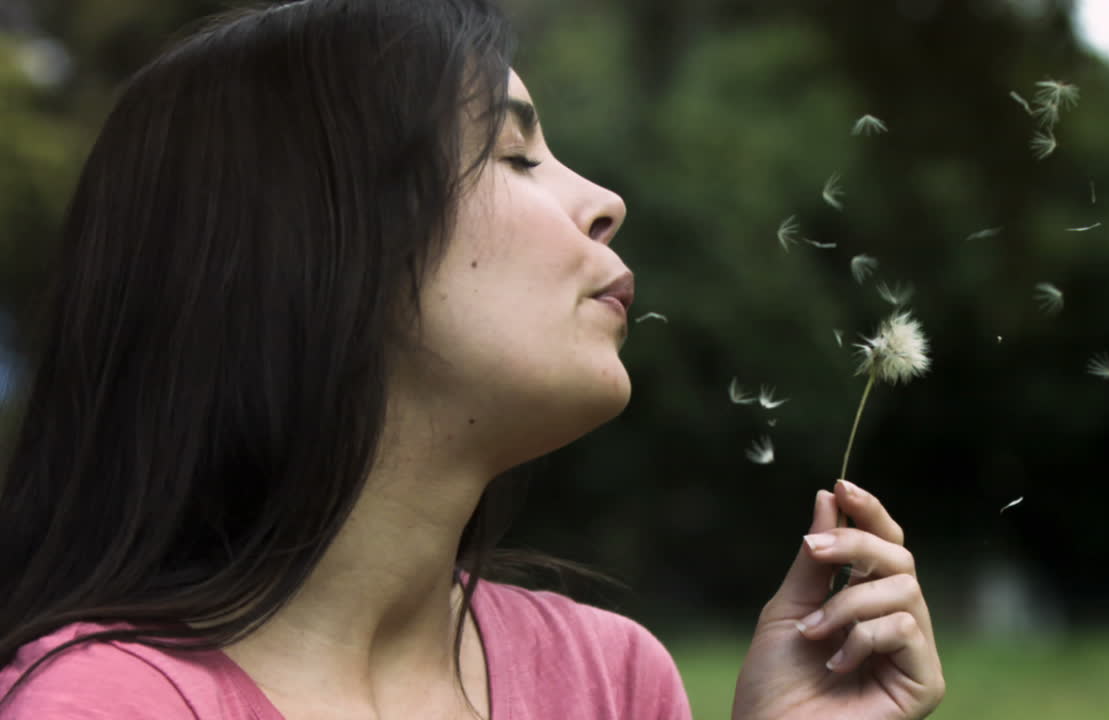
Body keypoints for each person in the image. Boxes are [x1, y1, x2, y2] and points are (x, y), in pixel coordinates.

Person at [0, 0, 945, 717]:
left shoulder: (609, 680)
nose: (605, 200)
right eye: (514, 153)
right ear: (321, 248)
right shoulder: (104, 703)